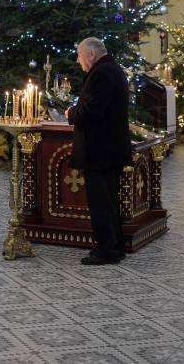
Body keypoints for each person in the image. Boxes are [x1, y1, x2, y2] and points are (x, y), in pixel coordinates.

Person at [67, 37, 131, 265]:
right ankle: (114, 246)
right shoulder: (112, 70)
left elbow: (90, 112)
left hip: (100, 150)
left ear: (91, 54)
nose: (78, 60)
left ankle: (106, 250)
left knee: (101, 202)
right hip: (109, 148)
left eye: (80, 55)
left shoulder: (102, 74)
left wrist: (71, 114)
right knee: (108, 200)